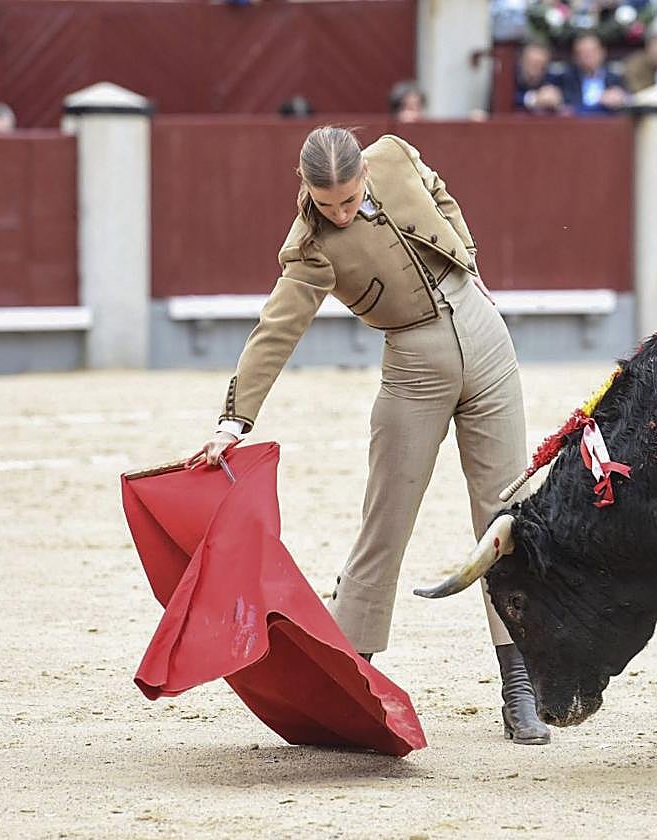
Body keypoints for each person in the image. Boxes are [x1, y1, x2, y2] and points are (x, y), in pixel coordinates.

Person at [187, 126, 550, 746]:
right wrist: (234, 418)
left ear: (363, 173)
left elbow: (442, 195)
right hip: (412, 364)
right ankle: (352, 678)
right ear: (305, 189)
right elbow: (276, 328)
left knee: (505, 513)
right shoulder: (309, 247)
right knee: (385, 521)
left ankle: (521, 683)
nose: (341, 213)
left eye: (350, 200)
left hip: (488, 342)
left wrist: (469, 261)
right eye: (328, 205)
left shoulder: (395, 156)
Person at [556, 31, 629, 115]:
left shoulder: (616, 79)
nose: (588, 56)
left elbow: (630, 101)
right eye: (582, 53)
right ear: (575, 57)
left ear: (603, 52)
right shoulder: (565, 80)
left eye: (592, 51)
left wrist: (621, 99)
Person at [515, 41, 564, 113]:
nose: (535, 68)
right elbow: (505, 99)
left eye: (540, 64)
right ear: (521, 61)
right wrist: (533, 99)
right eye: (531, 63)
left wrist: (557, 100)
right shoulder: (509, 78)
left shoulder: (553, 80)